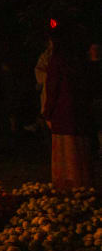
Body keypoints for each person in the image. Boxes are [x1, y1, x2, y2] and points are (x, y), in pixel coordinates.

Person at [44, 28, 94, 189]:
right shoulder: (80, 60)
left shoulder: (57, 60)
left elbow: (52, 89)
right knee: (79, 148)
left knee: (65, 150)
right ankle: (82, 182)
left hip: (62, 113)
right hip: (79, 111)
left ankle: (67, 185)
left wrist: (47, 112)